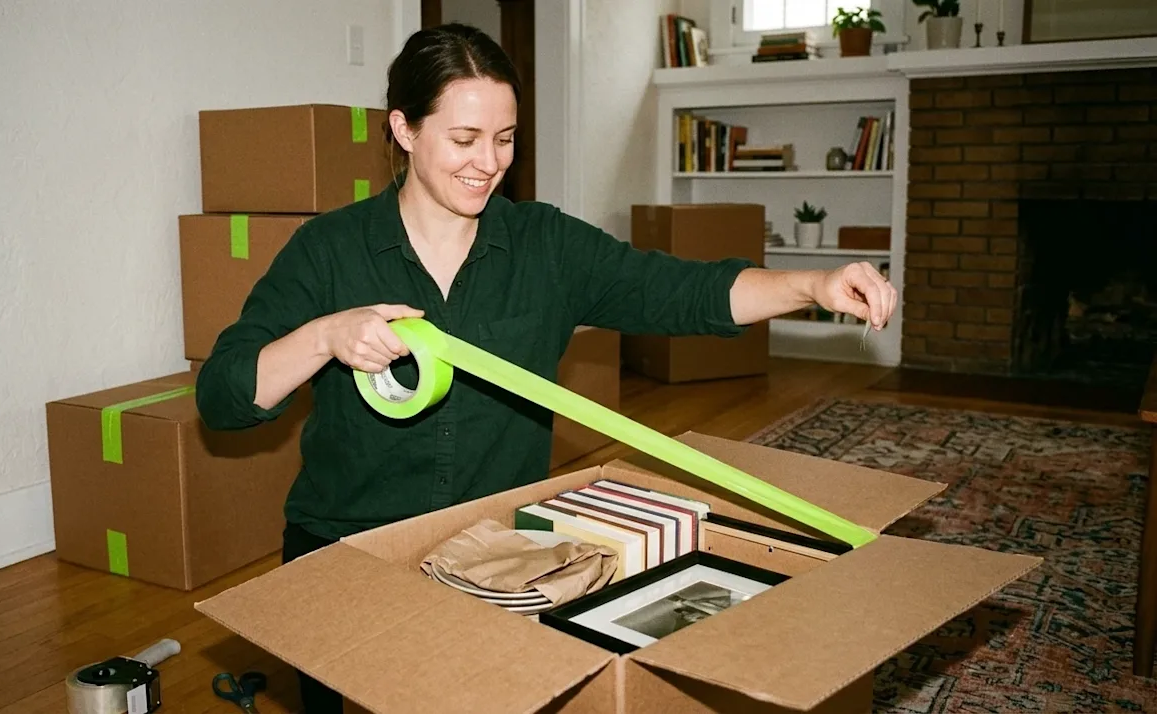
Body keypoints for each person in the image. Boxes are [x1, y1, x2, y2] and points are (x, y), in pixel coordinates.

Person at [194, 22, 897, 713]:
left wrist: (811, 285)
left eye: (504, 139)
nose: (488, 162)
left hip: (499, 559)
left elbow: (683, 291)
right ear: (403, 129)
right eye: (464, 139)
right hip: (347, 553)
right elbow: (223, 397)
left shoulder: (545, 245)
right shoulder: (327, 250)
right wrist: (324, 336)